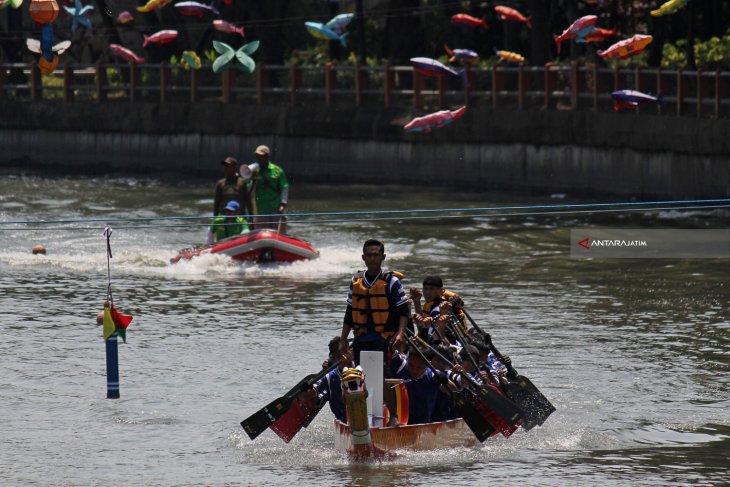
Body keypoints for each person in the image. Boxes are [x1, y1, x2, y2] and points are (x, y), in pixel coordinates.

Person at [339, 239, 409, 364]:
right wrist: (343, 338)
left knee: (380, 375)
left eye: (376, 255)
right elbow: (350, 312)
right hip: (361, 339)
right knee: (363, 375)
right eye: (369, 255)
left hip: (384, 340)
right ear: (363, 257)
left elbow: (404, 311)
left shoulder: (392, 282)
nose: (372, 259)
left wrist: (400, 334)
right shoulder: (355, 281)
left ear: (383, 257)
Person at [248, 145, 289, 233]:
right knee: (260, 235)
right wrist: (252, 179)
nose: (258, 159)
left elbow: (284, 187)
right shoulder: (254, 172)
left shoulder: (277, 171)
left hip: (276, 209)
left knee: (280, 235)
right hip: (261, 211)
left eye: (260, 156)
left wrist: (283, 204)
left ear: (267, 157)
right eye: (257, 156)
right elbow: (249, 191)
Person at [213, 156, 254, 224]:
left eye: (228, 166)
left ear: (234, 167)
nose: (225, 168)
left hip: (240, 220)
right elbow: (216, 204)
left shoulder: (242, 183)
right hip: (224, 220)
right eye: (225, 166)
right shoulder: (220, 184)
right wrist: (215, 221)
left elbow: (248, 202)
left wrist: (251, 218)